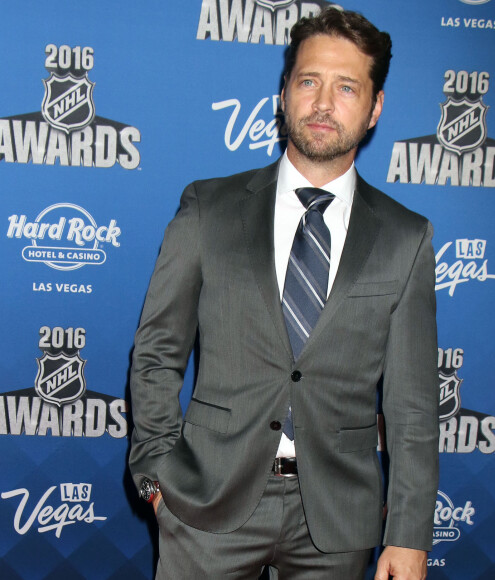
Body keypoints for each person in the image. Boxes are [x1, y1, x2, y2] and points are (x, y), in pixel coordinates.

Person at [129, 8, 439, 580]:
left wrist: (410, 533)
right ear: (283, 93)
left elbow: (413, 406)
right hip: (204, 503)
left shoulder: (406, 236)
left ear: (374, 109)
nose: (324, 102)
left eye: (347, 87)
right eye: (308, 81)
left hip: (338, 518)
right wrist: (156, 478)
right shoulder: (208, 209)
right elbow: (156, 354)